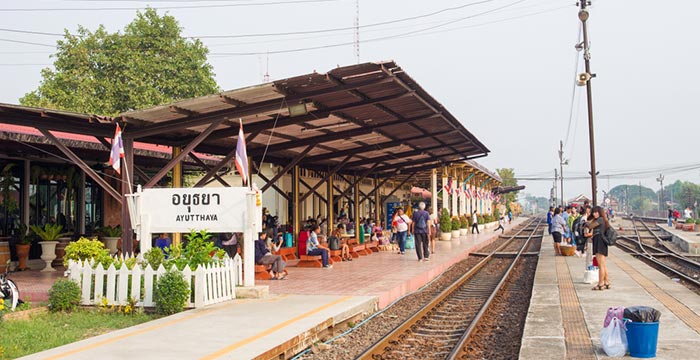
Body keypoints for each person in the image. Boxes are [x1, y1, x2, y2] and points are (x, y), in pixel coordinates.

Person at [587, 206, 611, 291]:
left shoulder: (600, 220)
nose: (594, 214)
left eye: (596, 212)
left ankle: (600, 284)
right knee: (603, 265)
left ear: (600, 212)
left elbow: (590, 226)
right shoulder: (603, 220)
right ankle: (607, 282)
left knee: (600, 265)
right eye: (593, 212)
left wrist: (585, 222)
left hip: (599, 242)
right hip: (601, 242)